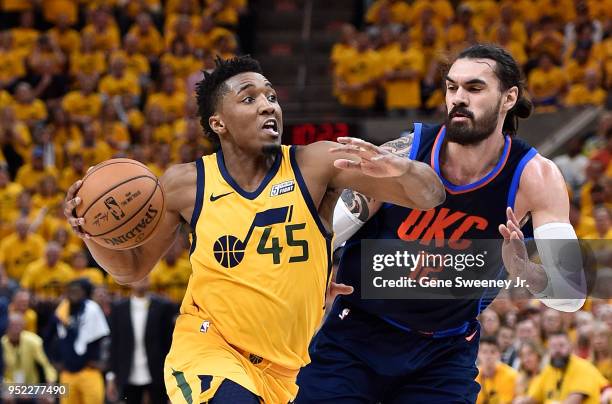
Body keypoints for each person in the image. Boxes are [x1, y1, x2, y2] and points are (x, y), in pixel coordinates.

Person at [64, 56, 445, 403]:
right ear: (219, 123)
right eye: (249, 98)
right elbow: (130, 269)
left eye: (271, 96)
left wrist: (403, 169)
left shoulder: (315, 164)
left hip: (286, 372)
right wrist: (91, 233)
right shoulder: (186, 185)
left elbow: (429, 196)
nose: (268, 105)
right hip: (209, 349)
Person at [296, 44, 586, 403]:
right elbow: (323, 235)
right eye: (452, 87)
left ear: (509, 97)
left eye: (474, 88)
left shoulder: (536, 177)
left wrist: (525, 270)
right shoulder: (402, 154)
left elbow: (571, 295)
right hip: (356, 335)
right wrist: (313, 276)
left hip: (443, 353)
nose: (458, 98)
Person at [106, 276, 178, 404]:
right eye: (139, 278)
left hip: (158, 370)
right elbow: (115, 343)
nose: (141, 280)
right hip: (128, 370)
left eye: (145, 278)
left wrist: (174, 374)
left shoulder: (163, 306)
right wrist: (111, 375)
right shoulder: (119, 308)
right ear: (130, 282)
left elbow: (170, 343)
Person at [517, 332, 609, 404]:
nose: (557, 351)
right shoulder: (549, 370)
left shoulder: (583, 368)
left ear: (571, 347)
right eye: (553, 346)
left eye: (561, 346)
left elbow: (573, 401)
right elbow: (533, 399)